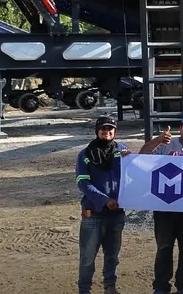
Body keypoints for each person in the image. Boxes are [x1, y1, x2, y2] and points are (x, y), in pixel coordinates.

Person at [139, 113, 183, 294]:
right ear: (181, 128)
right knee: (164, 248)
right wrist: (158, 140)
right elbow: (142, 156)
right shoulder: (166, 143)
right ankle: (161, 286)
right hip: (164, 207)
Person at [76, 115, 131, 294]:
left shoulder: (122, 151)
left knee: (112, 256)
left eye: (110, 129)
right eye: (103, 129)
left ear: (115, 131)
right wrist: (104, 200)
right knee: (87, 257)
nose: (106, 132)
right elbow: (83, 183)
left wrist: (129, 160)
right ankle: (84, 290)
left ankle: (110, 288)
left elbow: (132, 174)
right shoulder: (85, 155)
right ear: (97, 131)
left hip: (117, 213)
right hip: (93, 212)